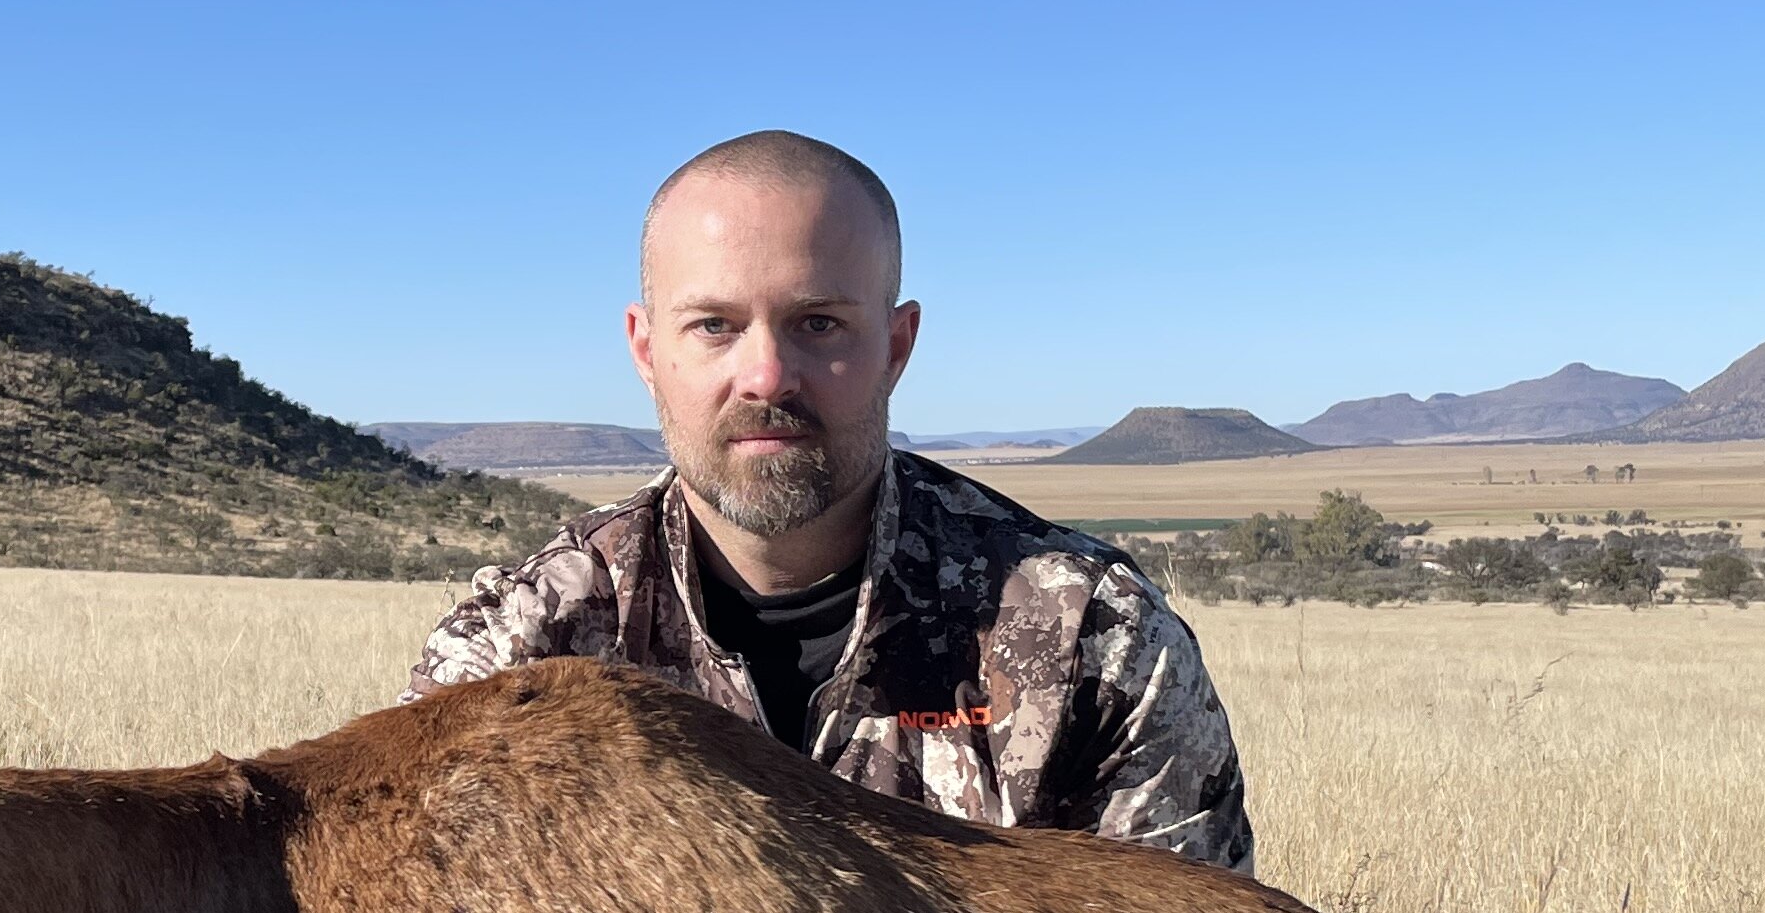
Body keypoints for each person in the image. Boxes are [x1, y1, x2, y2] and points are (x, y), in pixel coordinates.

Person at [410, 131, 1253, 867]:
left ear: (896, 345)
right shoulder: (517, 651)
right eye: (713, 325)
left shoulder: (1092, 642)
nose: (767, 376)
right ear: (645, 348)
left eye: (818, 323)